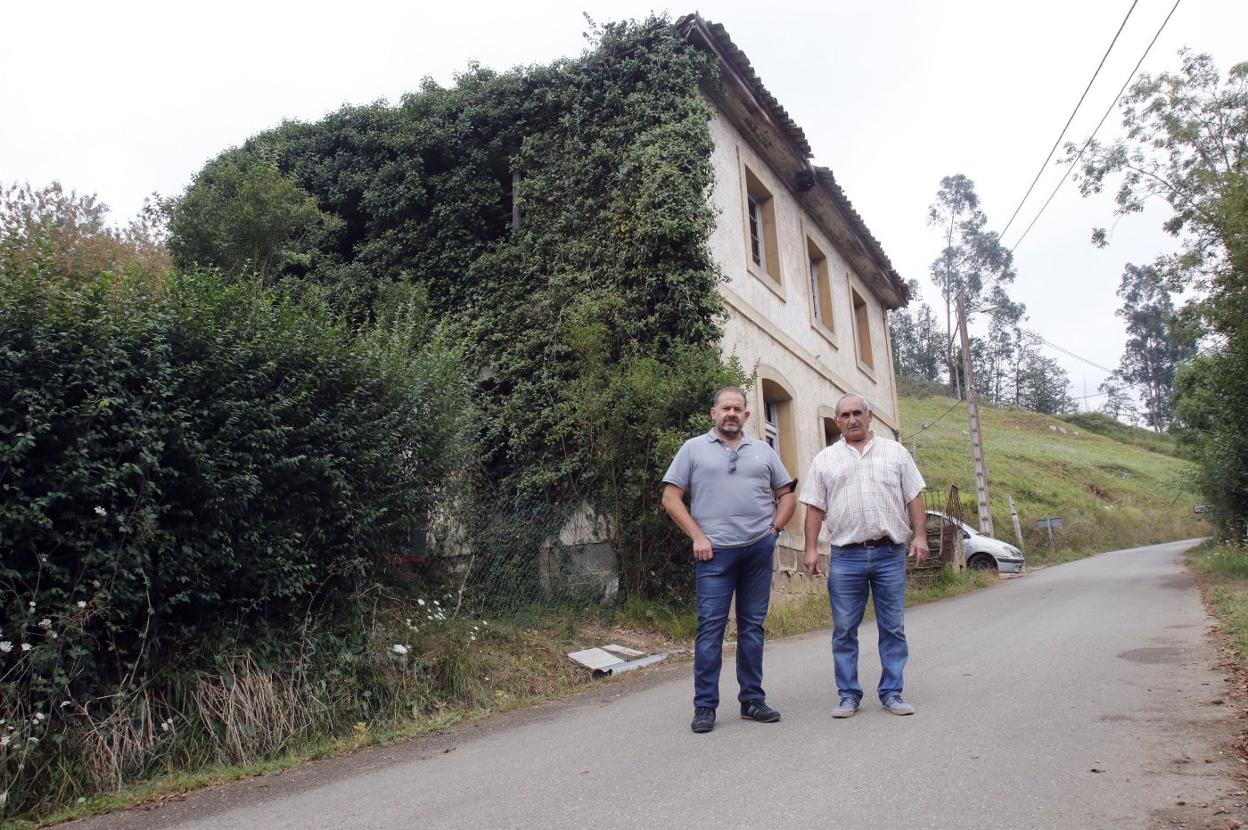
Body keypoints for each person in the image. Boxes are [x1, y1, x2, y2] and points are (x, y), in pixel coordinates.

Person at [662, 386, 796, 733]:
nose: (732, 413)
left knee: (752, 628)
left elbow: (786, 495)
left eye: (738, 408)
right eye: (726, 408)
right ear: (713, 413)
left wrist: (774, 531)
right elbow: (671, 498)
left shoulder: (764, 451)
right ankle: (705, 706)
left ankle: (752, 700)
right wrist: (698, 536)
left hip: (757, 551)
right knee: (710, 630)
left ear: (747, 416)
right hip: (714, 554)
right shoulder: (693, 449)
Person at [801, 392, 927, 718]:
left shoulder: (895, 453)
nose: (852, 419)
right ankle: (848, 695)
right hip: (846, 556)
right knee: (844, 629)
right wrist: (811, 548)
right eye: (844, 415)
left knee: (893, 627)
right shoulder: (824, 460)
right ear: (837, 421)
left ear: (869, 417)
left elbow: (914, 496)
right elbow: (814, 507)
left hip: (889, 553)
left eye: (858, 413)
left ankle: (892, 693)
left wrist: (921, 537)